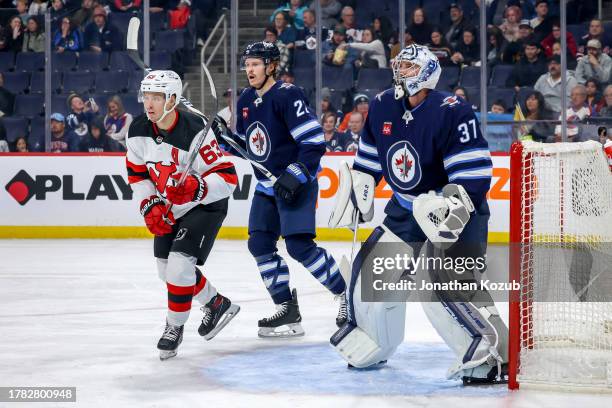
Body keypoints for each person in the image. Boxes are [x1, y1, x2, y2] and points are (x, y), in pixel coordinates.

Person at [328, 44, 508, 384]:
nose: (400, 72)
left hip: (456, 211)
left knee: (446, 284)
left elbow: (474, 175)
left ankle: (492, 355)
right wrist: (359, 186)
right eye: (400, 65)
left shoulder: (453, 111)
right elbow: (369, 162)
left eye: (409, 67)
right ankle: (373, 341)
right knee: (369, 273)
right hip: (405, 207)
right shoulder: (381, 106)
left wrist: (450, 204)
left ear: (427, 73)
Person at [214, 41, 347, 337]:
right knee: (259, 245)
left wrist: (296, 174)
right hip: (266, 187)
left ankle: (344, 294)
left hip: (295, 185)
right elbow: (255, 148)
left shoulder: (289, 95)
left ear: (272, 66)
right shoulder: (247, 99)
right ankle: (287, 308)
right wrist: (225, 141)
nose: (250, 70)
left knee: (299, 246)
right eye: (247, 64)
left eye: (256, 64)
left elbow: (313, 143)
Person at [126, 70, 240, 360]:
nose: (149, 104)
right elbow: (138, 175)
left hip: (206, 203)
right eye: (146, 96)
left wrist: (197, 187)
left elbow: (228, 179)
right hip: (171, 204)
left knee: (179, 267)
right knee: (166, 271)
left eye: (157, 97)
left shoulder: (196, 130)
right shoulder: (138, 129)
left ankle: (173, 328)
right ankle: (215, 303)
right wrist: (150, 204)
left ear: (173, 99)